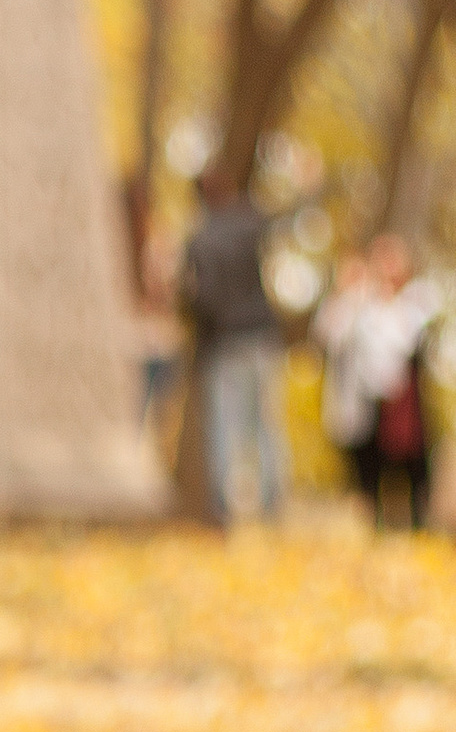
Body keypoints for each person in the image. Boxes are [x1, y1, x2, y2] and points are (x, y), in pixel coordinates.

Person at [178, 168, 287, 522]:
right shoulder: (248, 225)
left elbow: (200, 296)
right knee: (265, 425)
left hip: (224, 342)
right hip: (260, 335)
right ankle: (272, 505)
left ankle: (222, 510)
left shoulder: (200, 240)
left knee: (227, 426)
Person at [317, 235, 441, 528]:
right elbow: (331, 336)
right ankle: (377, 521)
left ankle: (416, 522)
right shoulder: (359, 304)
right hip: (371, 402)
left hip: (405, 401)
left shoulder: (417, 300)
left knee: (413, 466)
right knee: (372, 466)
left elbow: (410, 340)